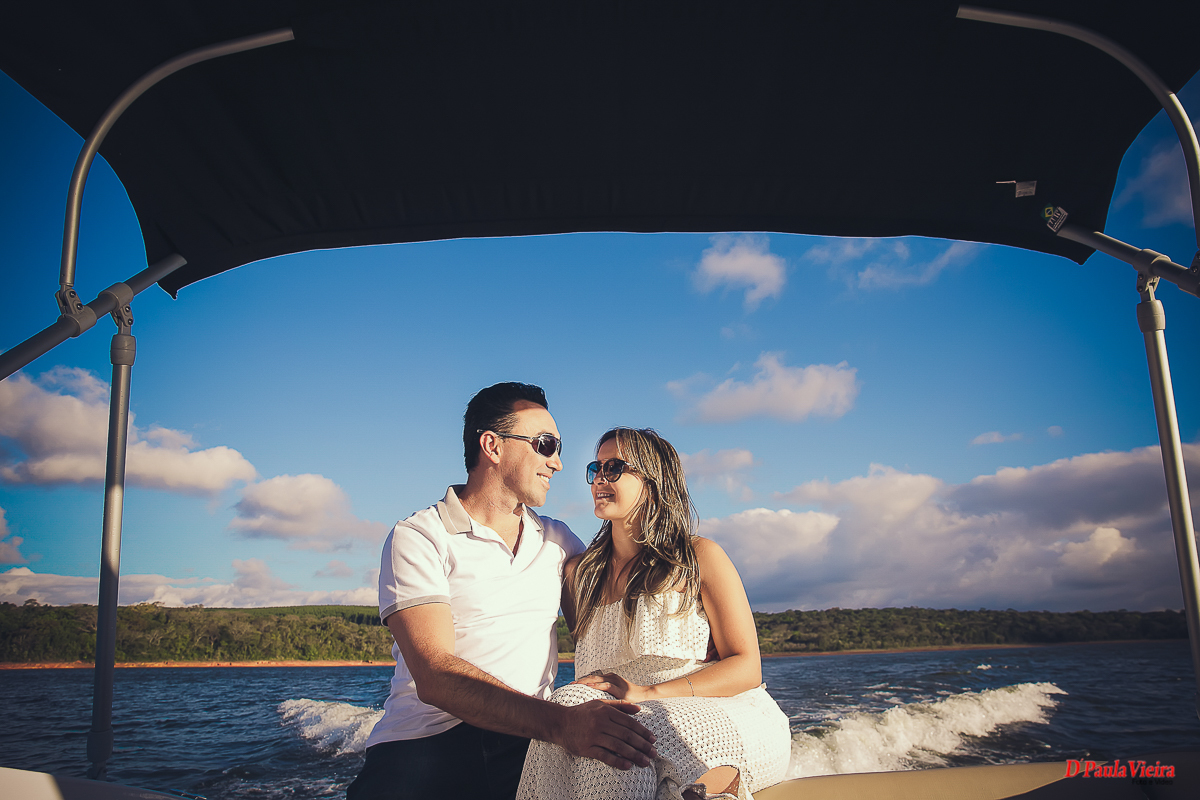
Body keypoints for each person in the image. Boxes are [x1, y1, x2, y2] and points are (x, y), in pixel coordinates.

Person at [348, 384, 658, 800]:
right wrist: (564, 725)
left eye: (558, 448)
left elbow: (620, 608)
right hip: (424, 742)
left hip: (526, 741)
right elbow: (435, 674)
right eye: (545, 445)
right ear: (492, 446)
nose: (558, 463)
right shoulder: (420, 537)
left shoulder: (558, 540)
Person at [517, 427, 791, 800]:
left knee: (622, 728)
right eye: (595, 468)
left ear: (654, 481)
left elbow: (746, 666)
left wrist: (648, 693)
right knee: (569, 709)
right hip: (620, 712)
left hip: (716, 710)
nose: (599, 478)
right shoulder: (578, 575)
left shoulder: (699, 558)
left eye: (614, 468)